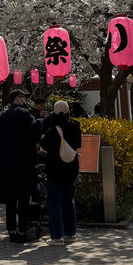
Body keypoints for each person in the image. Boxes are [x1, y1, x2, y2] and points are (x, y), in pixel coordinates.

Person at [0, 89, 41, 243]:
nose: (27, 101)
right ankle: (22, 232)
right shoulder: (24, 114)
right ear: (18, 99)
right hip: (23, 164)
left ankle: (11, 231)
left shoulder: (3, 117)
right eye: (24, 98)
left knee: (10, 201)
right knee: (24, 199)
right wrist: (42, 120)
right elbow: (36, 132)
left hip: (6, 165)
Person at [40, 100, 83, 246]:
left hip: (55, 168)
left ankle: (57, 236)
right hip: (71, 168)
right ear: (68, 111)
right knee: (69, 201)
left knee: (55, 202)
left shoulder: (52, 130)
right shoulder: (75, 126)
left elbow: (44, 145)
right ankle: (71, 233)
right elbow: (78, 144)